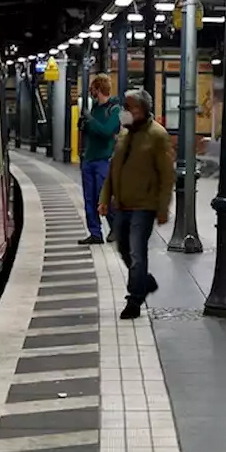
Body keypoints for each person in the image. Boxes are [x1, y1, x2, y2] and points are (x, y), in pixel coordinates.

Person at [98, 89, 174, 319]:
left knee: (137, 252)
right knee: (123, 249)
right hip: (122, 204)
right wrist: (104, 199)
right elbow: (113, 169)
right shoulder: (124, 134)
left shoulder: (157, 135)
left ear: (142, 110)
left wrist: (162, 208)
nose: (124, 112)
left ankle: (134, 300)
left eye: (129, 107)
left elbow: (167, 175)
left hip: (144, 205)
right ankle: (145, 282)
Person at [78, 75, 121, 245]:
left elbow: (107, 131)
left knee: (103, 197)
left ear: (98, 89)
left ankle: (115, 227)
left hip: (104, 159)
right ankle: (95, 233)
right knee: (89, 198)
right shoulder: (95, 108)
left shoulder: (115, 110)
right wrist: (84, 123)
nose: (91, 92)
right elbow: (91, 130)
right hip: (89, 159)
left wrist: (91, 120)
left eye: (93, 89)